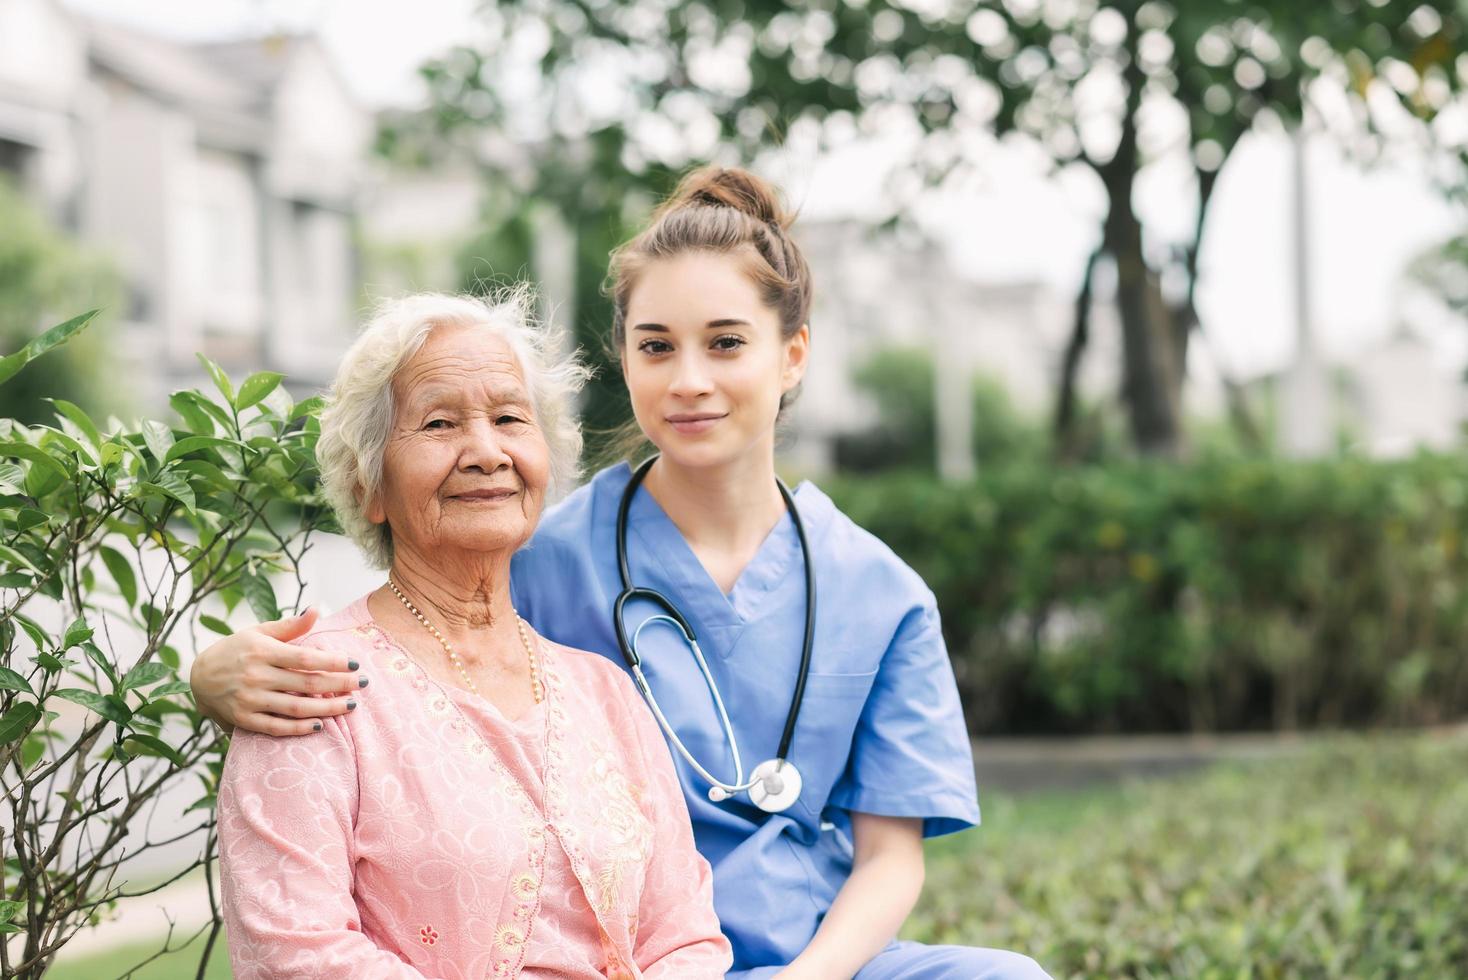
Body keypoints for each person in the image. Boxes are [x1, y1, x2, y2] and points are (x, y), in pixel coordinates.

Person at [194, 169, 1050, 979]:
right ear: (624, 359)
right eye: (656, 346)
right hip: (619, 947)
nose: (689, 381)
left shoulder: (881, 593)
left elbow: (891, 858)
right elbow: (410, 631)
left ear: (792, 355)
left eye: (725, 344)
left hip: (816, 957)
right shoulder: (540, 553)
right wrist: (210, 673)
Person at [213, 289, 731, 979]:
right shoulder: (307, 688)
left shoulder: (606, 693)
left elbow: (685, 936)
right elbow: (295, 953)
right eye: (438, 424)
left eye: (510, 418)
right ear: (368, 483)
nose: (486, 451)